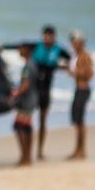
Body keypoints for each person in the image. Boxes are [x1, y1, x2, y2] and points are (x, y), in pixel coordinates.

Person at [31, 25, 70, 160]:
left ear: (54, 36)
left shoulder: (59, 50)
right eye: (44, 35)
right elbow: (18, 47)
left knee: (42, 121)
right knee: (27, 120)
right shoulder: (37, 47)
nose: (46, 38)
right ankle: (27, 151)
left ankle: (40, 151)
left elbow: (73, 60)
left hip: (46, 91)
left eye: (49, 36)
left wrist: (62, 67)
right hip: (33, 90)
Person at [67, 30, 93, 159]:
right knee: (77, 121)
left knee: (80, 121)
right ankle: (78, 149)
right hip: (78, 88)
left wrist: (75, 73)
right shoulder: (76, 55)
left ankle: (81, 150)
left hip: (83, 89)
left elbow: (89, 73)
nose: (73, 44)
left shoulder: (85, 55)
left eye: (75, 41)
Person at [11, 44, 38, 166]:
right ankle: (27, 156)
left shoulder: (28, 66)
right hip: (31, 99)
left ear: (27, 50)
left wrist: (15, 94)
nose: (19, 50)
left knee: (20, 126)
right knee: (26, 126)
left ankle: (25, 156)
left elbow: (25, 85)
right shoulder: (32, 64)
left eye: (21, 48)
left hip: (27, 100)